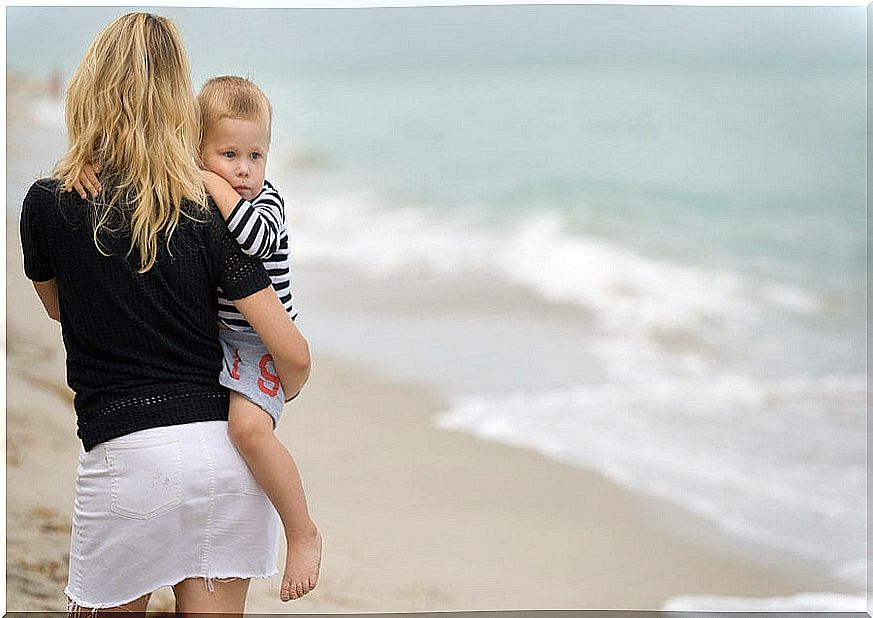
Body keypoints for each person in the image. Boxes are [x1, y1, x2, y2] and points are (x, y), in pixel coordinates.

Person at [20, 12, 312, 615]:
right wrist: (286, 386)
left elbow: (60, 308)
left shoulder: (48, 205)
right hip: (227, 460)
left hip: (128, 457)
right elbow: (292, 352)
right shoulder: (206, 205)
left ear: (87, 90)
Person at [75, 74, 324, 604]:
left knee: (250, 432)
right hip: (225, 342)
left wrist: (210, 183)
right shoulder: (198, 195)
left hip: (257, 346)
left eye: (255, 156)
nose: (243, 169)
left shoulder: (265, 203)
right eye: (228, 154)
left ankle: (302, 533)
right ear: (197, 149)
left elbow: (254, 241)